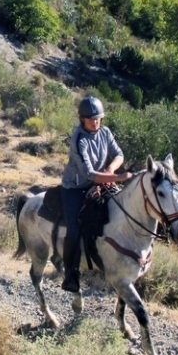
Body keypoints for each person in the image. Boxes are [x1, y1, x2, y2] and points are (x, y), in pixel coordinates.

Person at [59, 95, 134, 293]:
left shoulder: (105, 132)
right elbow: (88, 174)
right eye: (91, 119)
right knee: (74, 229)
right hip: (75, 188)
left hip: (102, 180)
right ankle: (71, 275)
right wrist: (119, 177)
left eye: (99, 118)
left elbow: (118, 154)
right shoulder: (79, 139)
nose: (96, 122)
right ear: (82, 119)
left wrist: (110, 171)